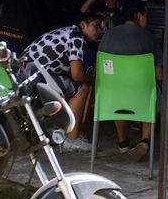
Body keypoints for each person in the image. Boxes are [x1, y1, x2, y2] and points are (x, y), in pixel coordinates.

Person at [19, 14, 104, 152]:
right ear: (83, 25)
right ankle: (71, 139)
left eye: (101, 27)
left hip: (23, 72)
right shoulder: (77, 37)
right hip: (34, 74)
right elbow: (77, 75)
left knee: (70, 85)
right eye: (95, 26)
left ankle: (61, 130)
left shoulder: (66, 32)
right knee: (81, 88)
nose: (99, 30)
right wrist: (93, 79)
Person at [98, 0, 162, 160]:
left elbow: (101, 68)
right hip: (142, 95)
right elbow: (159, 75)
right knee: (153, 93)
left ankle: (123, 142)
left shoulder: (108, 34)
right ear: (138, 15)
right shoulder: (150, 37)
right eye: (146, 16)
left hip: (110, 94)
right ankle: (145, 140)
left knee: (117, 93)